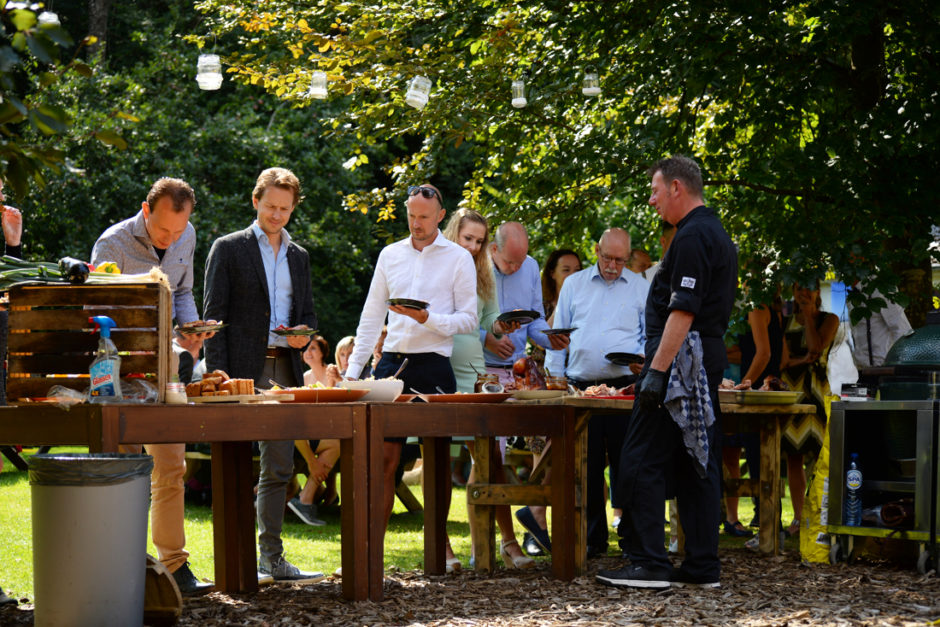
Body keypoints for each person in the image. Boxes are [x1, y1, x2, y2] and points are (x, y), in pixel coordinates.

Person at [598, 155, 737, 590]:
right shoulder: (714, 231)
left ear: (677, 187)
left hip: (680, 361)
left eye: (656, 190)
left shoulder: (694, 235)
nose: (652, 199)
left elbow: (683, 309)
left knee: (639, 457)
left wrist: (656, 374)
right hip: (700, 358)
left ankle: (649, 563)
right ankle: (700, 567)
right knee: (698, 459)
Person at [91, 177, 214, 595]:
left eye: (179, 231)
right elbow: (97, 313)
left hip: (167, 367)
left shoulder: (187, 235)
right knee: (126, 468)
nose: (172, 237)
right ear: (146, 210)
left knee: (172, 465)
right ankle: (123, 561)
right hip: (120, 370)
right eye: (164, 230)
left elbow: (182, 292)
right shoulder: (112, 244)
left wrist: (191, 328)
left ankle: (174, 564)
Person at [345, 183, 477, 572]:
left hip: (435, 365)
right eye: (411, 215)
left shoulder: (458, 258)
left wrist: (427, 318)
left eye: (424, 216)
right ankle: (372, 555)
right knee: (384, 460)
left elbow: (468, 318)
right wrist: (353, 373)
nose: (416, 223)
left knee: (436, 463)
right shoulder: (390, 254)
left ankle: (440, 551)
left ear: (440, 216)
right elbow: (371, 318)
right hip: (392, 365)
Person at [203, 167, 321, 581]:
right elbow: (213, 317)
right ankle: (233, 561)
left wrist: (303, 337)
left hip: (284, 369)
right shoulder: (228, 248)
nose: (277, 214)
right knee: (234, 463)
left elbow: (307, 315)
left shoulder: (299, 256)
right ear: (256, 201)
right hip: (239, 370)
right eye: (270, 206)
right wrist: (218, 372)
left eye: (285, 208)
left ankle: (270, 558)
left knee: (280, 466)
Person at [546, 228, 649, 559]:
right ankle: (592, 541)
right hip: (581, 387)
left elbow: (651, 336)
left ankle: (631, 539)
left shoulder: (639, 287)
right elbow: (558, 336)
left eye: (620, 260)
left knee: (628, 465)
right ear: (596, 251)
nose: (613, 266)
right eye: (607, 258)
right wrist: (555, 381)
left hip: (625, 385)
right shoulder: (575, 284)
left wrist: (644, 363)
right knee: (585, 467)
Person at [442, 207, 533, 569]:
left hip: (473, 371)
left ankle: (508, 543)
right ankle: (442, 546)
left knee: (491, 459)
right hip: (439, 368)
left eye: (479, 242)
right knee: (441, 461)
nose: (474, 247)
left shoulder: (483, 274)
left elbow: (489, 320)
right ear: (453, 234)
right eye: (468, 239)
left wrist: (503, 326)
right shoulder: (436, 267)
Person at [779, 282, 839, 539]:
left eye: (809, 289)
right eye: (798, 289)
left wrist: (809, 319)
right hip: (792, 391)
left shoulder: (830, 319)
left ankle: (820, 515)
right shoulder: (785, 321)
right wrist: (801, 360)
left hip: (818, 391)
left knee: (820, 456)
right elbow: (782, 361)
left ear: (817, 293)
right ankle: (799, 515)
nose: (803, 293)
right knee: (794, 455)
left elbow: (817, 348)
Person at [287, 335, 341, 524]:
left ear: (323, 353)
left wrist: (335, 383)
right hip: (307, 431)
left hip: (327, 428)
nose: (308, 353)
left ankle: (308, 497)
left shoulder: (331, 372)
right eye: (306, 350)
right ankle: (306, 498)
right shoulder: (302, 378)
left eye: (313, 349)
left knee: (334, 443)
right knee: (333, 445)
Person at [848, 286, 912, 368]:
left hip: (884, 369)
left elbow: (902, 330)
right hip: (863, 370)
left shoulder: (881, 289)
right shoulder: (853, 294)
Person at [541, 249, 582, 326]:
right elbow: (537, 337)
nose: (573, 275)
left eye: (577, 270)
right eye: (566, 270)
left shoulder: (588, 303)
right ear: (552, 274)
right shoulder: (542, 308)